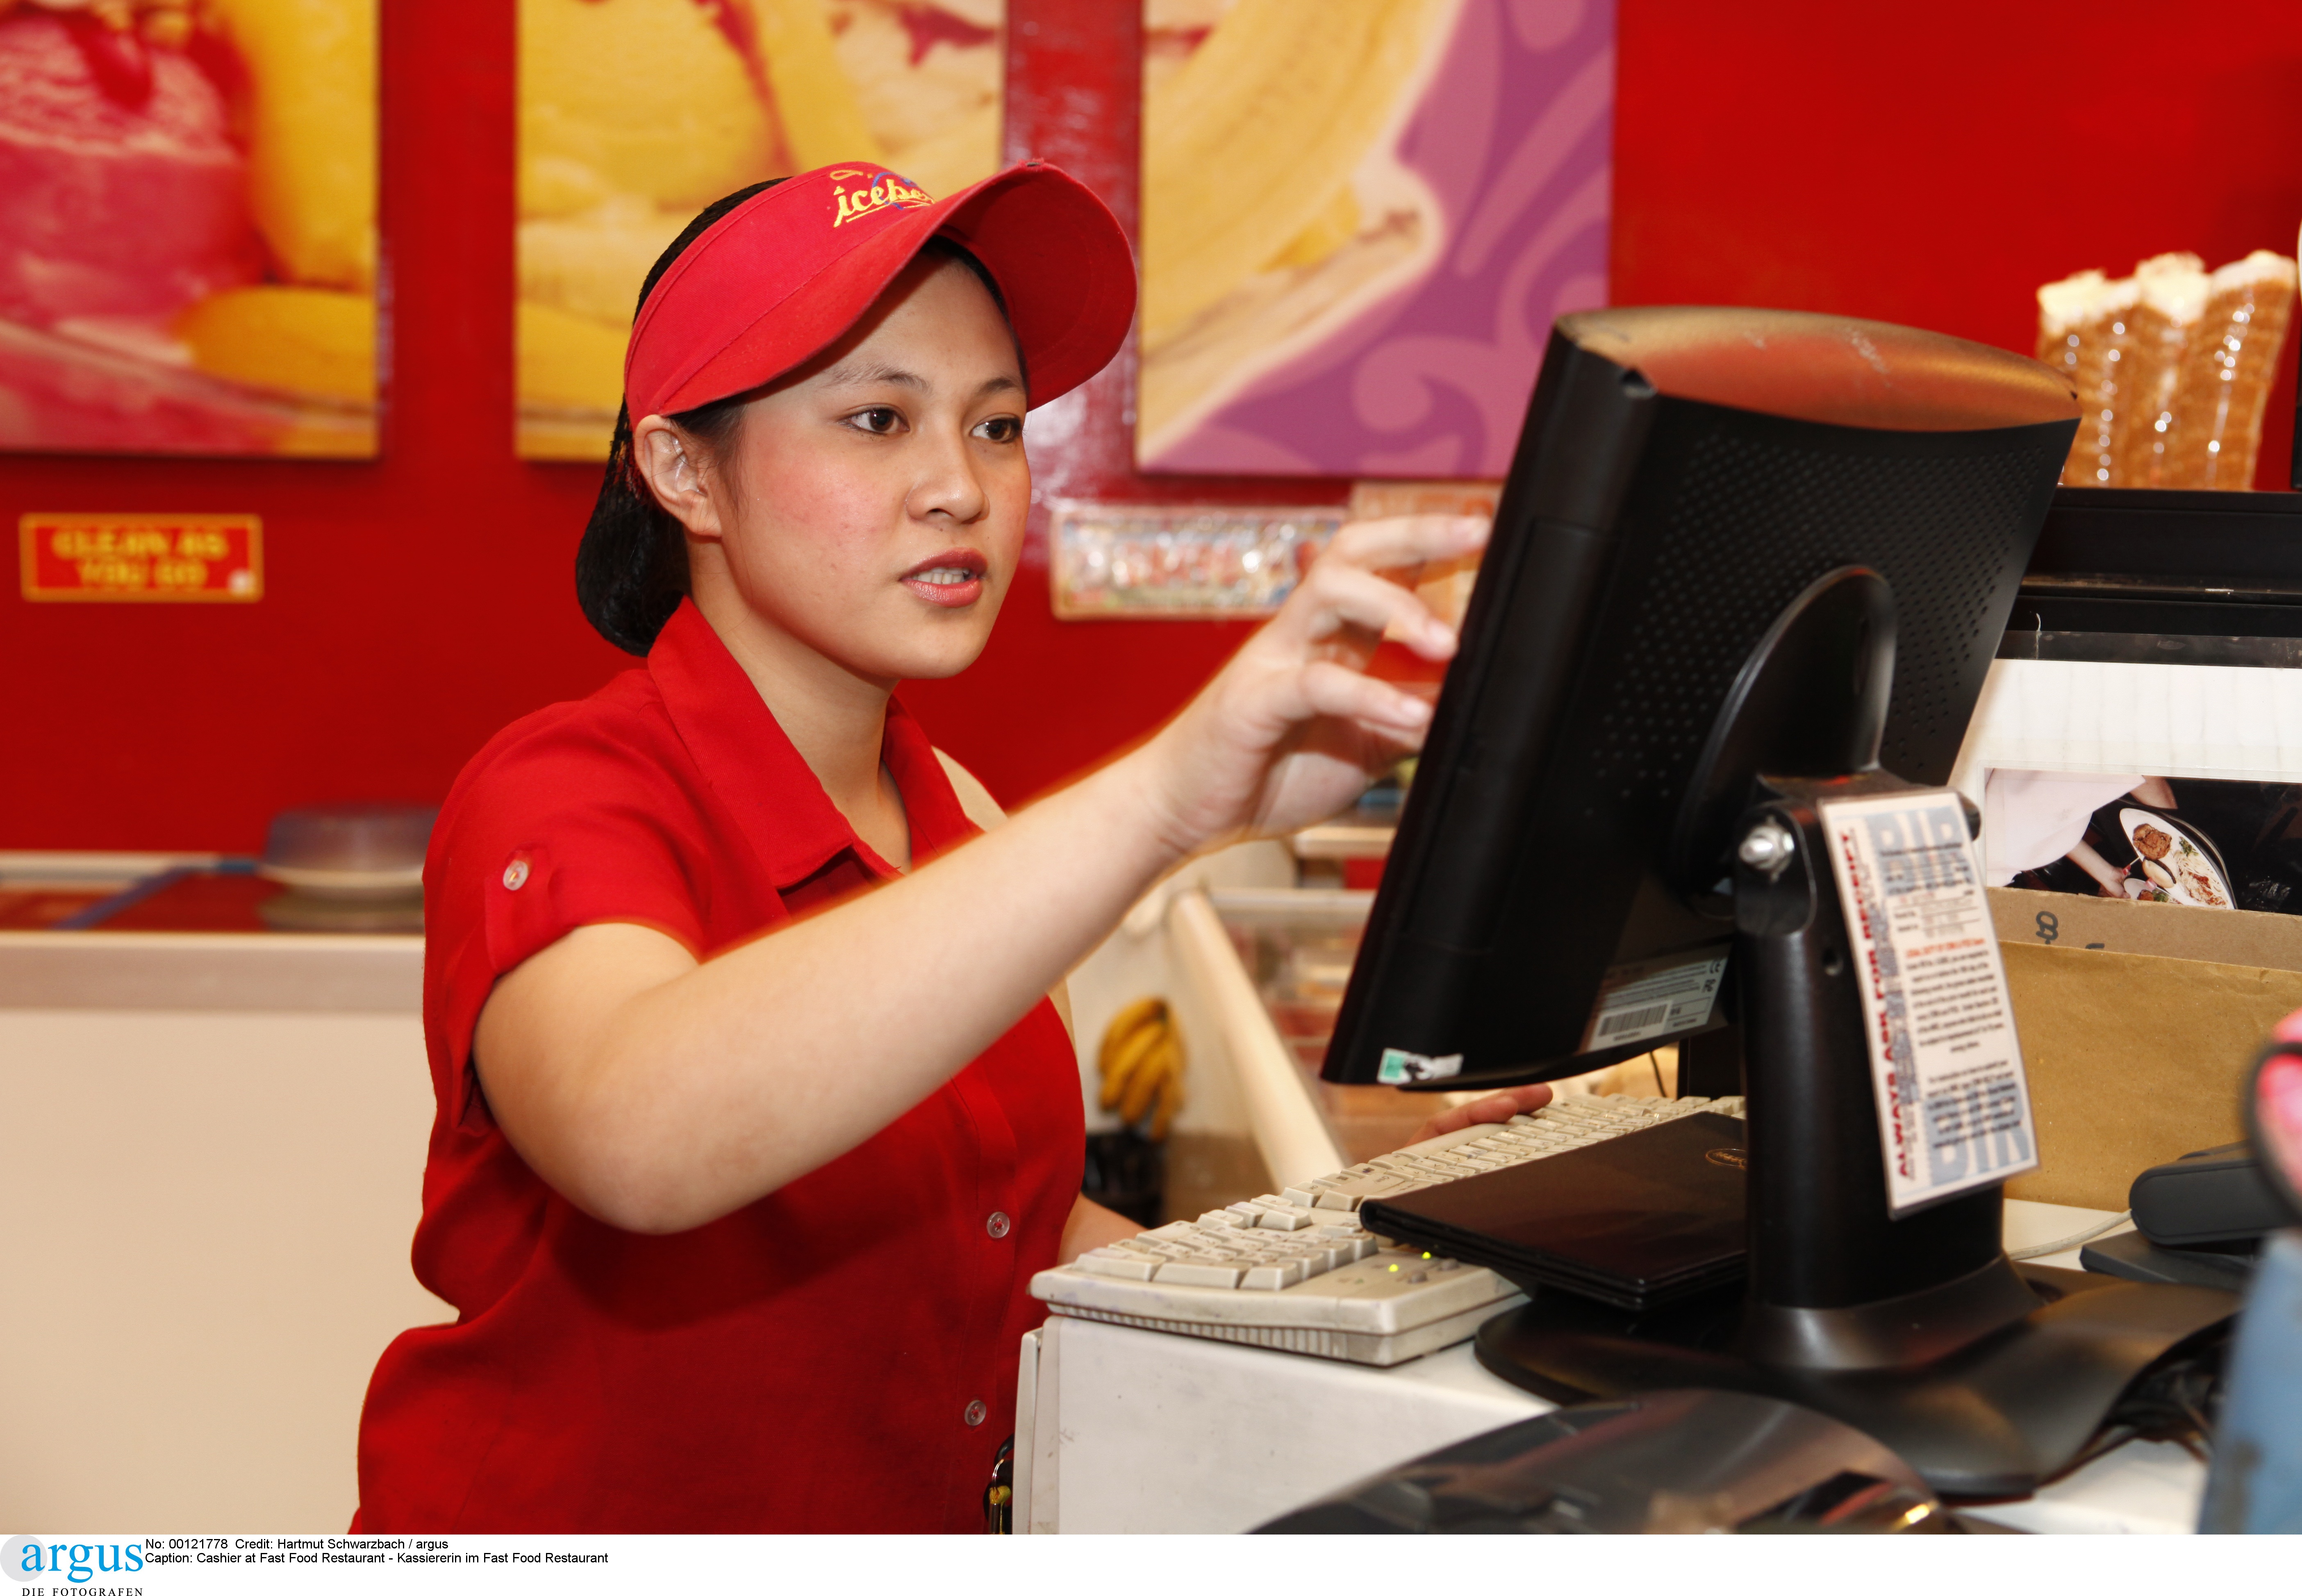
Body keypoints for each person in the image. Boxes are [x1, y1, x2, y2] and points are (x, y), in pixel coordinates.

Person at [353, 160, 1536, 1532]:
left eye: (997, 427)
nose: (960, 490)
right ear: (685, 469)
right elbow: (635, 1130)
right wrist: (1166, 801)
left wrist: (1380, 1247)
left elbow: (1011, 1235)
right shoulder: (561, 790)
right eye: (876, 419)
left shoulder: (952, 807)